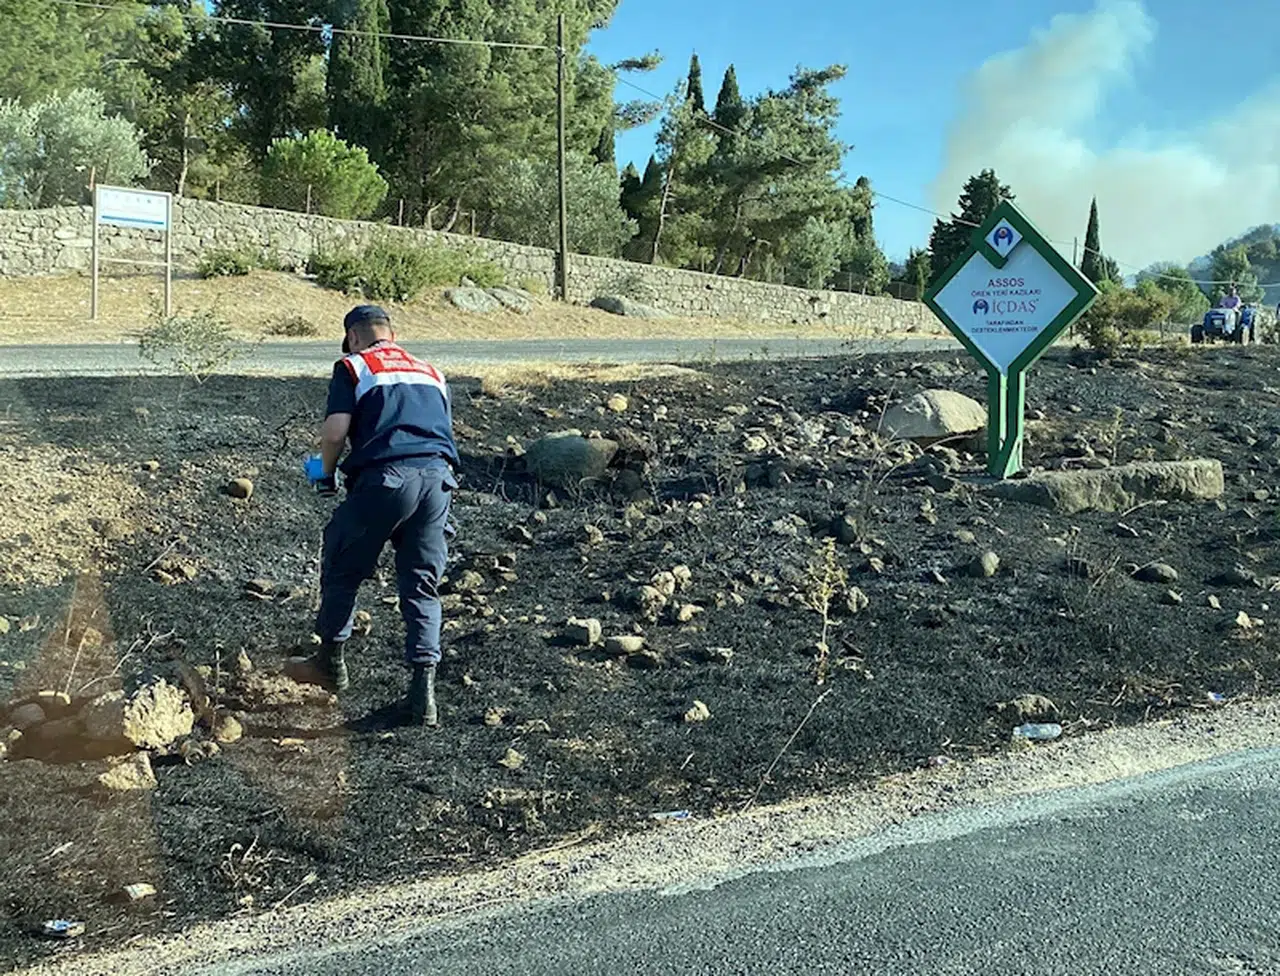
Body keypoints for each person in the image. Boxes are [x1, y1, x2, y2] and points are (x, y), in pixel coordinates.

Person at [289, 305, 459, 727]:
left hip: (386, 480)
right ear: (393, 334)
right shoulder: (430, 371)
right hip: (438, 483)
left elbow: (334, 432)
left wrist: (323, 473)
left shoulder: (353, 366)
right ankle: (424, 697)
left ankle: (331, 662)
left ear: (353, 338)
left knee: (343, 566)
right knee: (422, 585)